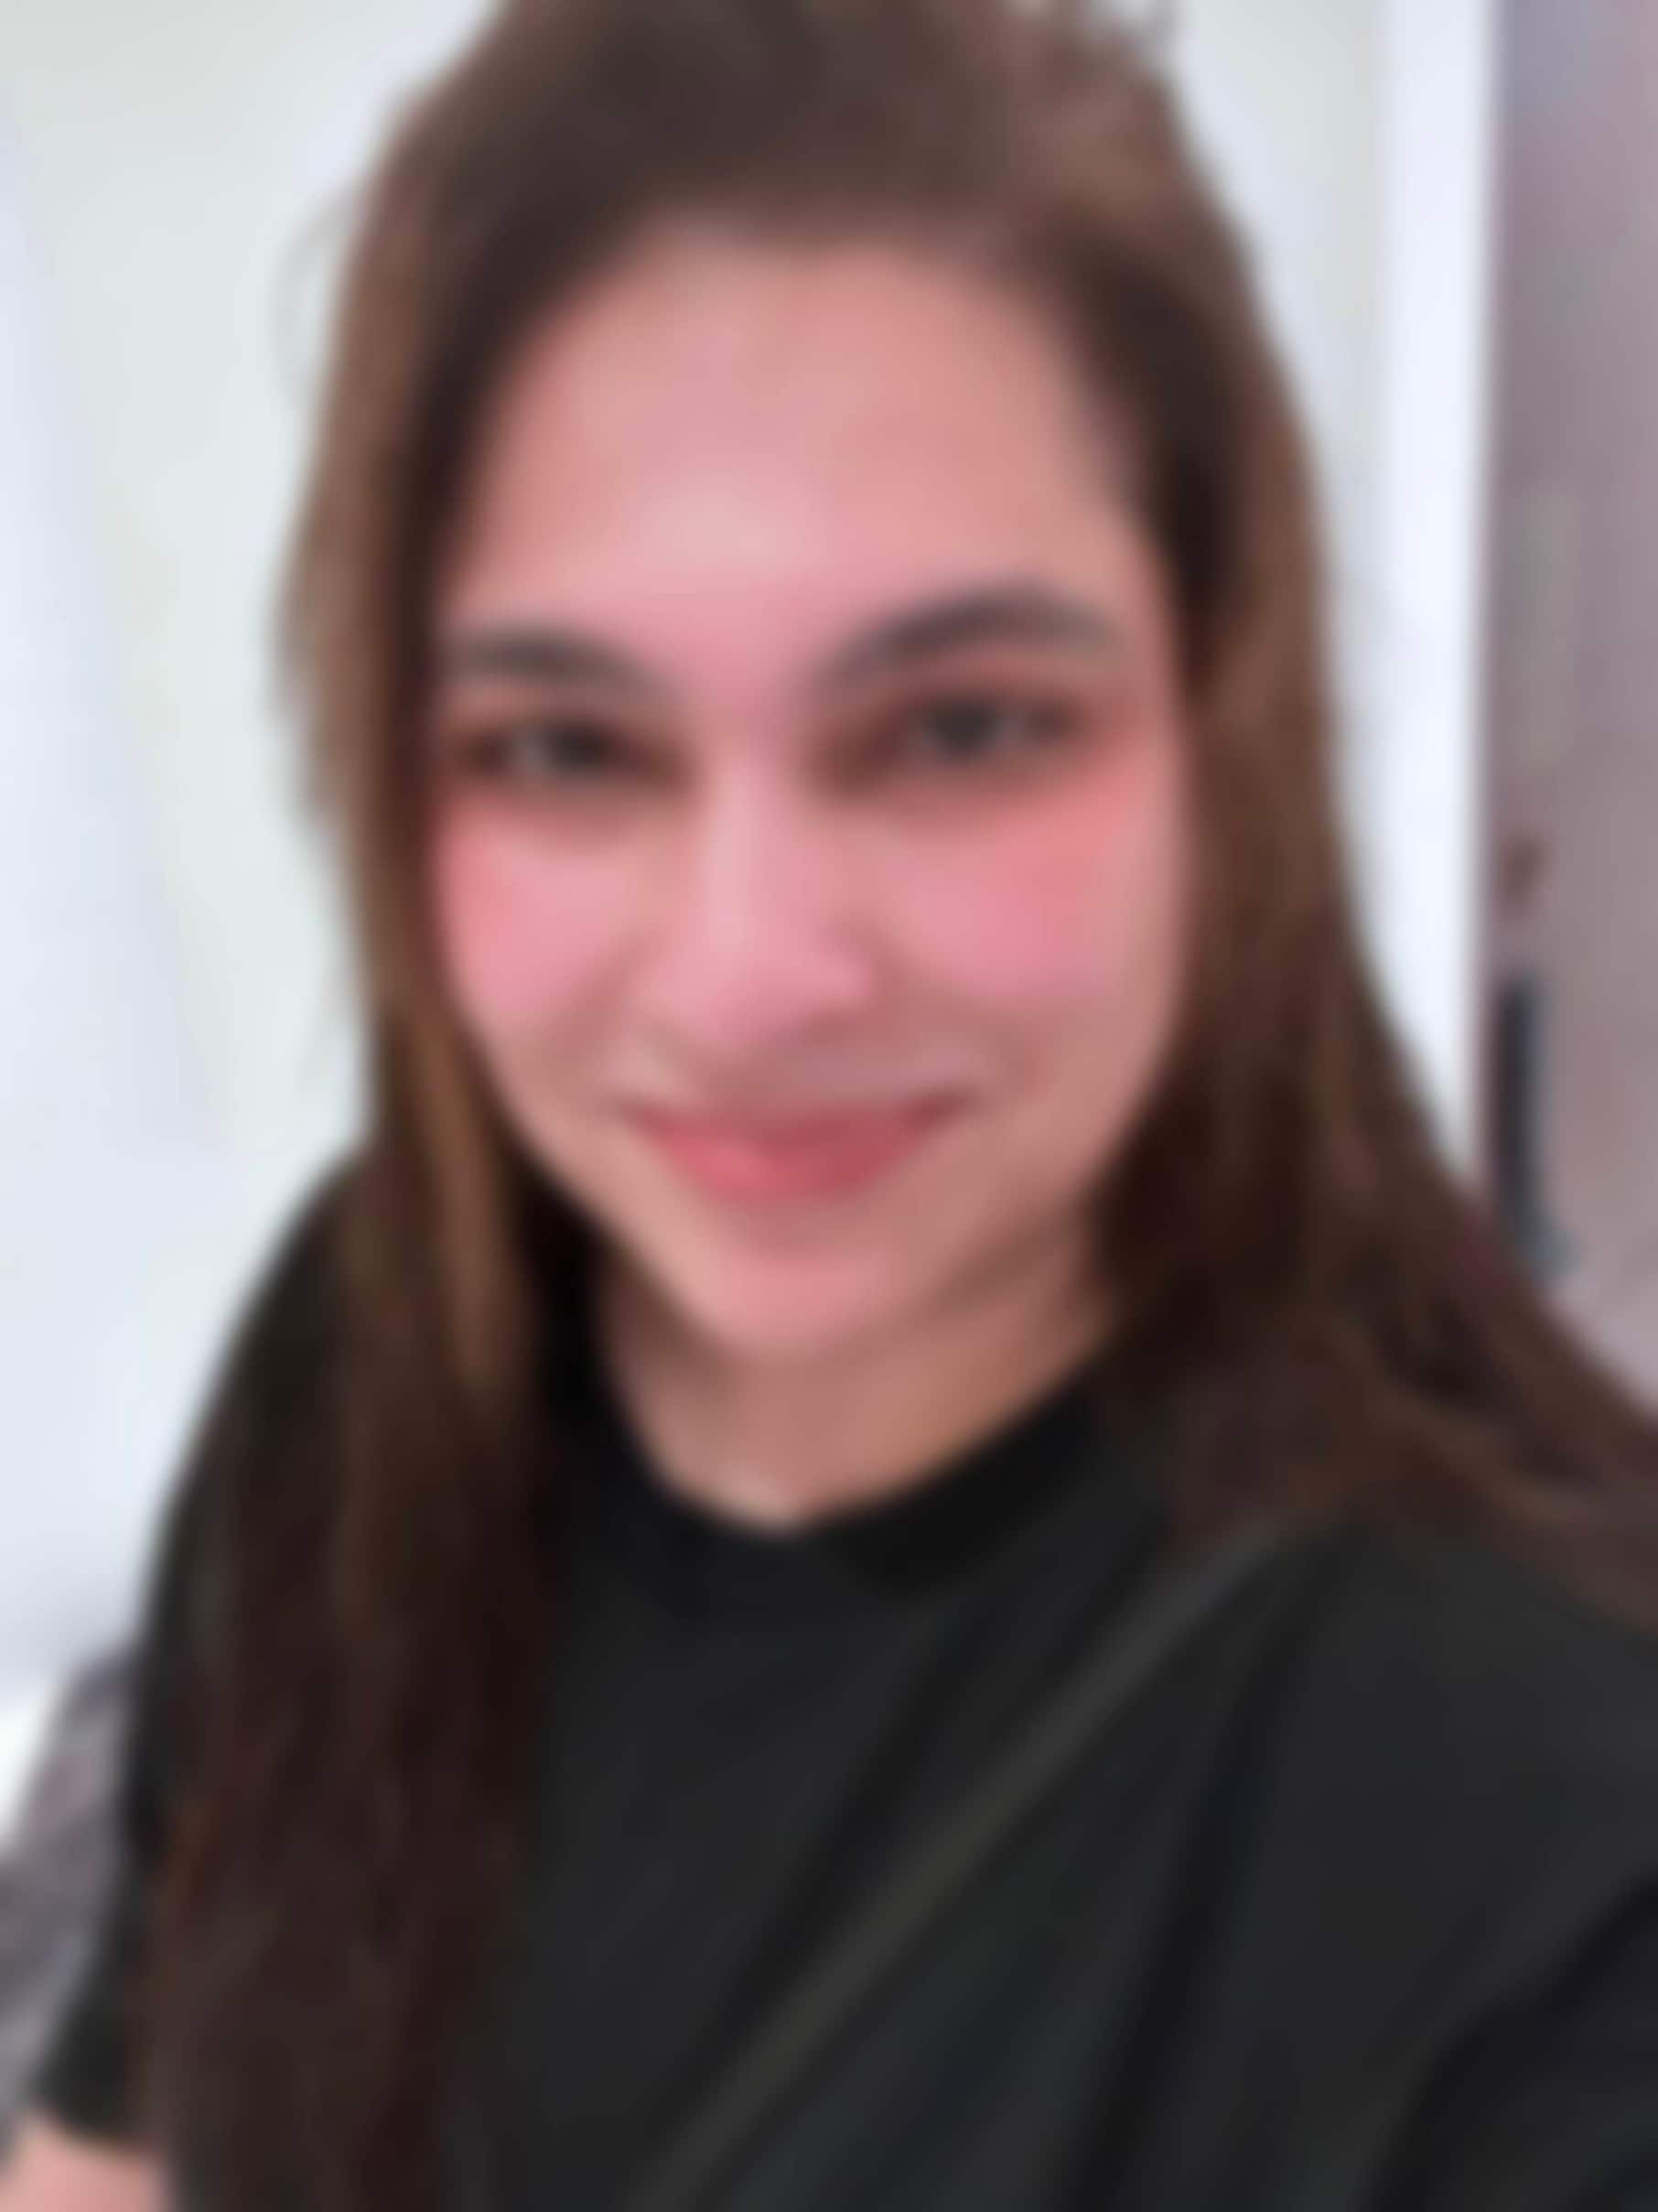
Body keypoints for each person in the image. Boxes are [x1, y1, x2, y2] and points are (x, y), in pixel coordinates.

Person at [5, 2, 1658, 2206]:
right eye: (566, 749)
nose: (751, 982)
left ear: (1224, 740)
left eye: (963, 728)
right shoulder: (367, 1343)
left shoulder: (1558, 1814)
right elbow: (116, 2145)